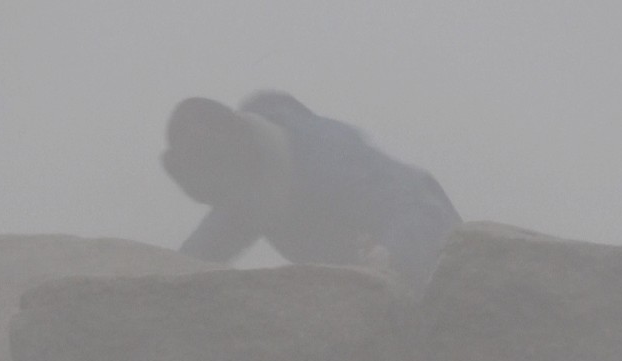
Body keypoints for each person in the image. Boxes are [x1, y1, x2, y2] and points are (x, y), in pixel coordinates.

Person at [162, 91, 462, 289]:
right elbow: (195, 260)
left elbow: (418, 206)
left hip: (441, 272)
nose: (225, 205)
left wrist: (393, 256)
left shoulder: (330, 160)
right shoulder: (248, 183)